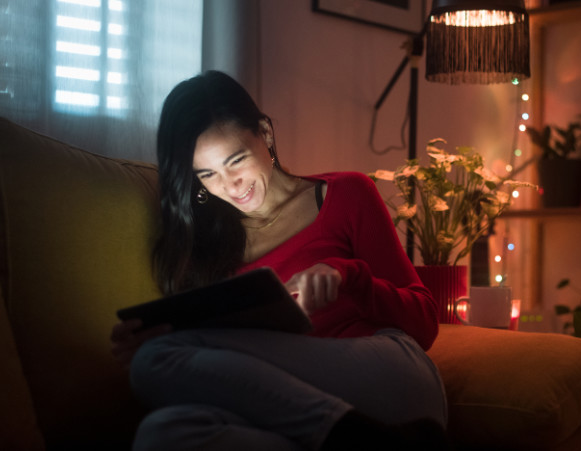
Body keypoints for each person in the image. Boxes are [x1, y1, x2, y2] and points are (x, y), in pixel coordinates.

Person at [110, 70, 447, 451]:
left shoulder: (346, 194)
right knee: (163, 433)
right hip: (293, 411)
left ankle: (348, 435)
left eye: (235, 160)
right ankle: (355, 438)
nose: (230, 185)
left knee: (155, 360)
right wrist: (154, 337)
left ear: (265, 135)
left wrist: (348, 277)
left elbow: (424, 324)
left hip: (390, 377)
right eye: (208, 174)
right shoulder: (205, 249)